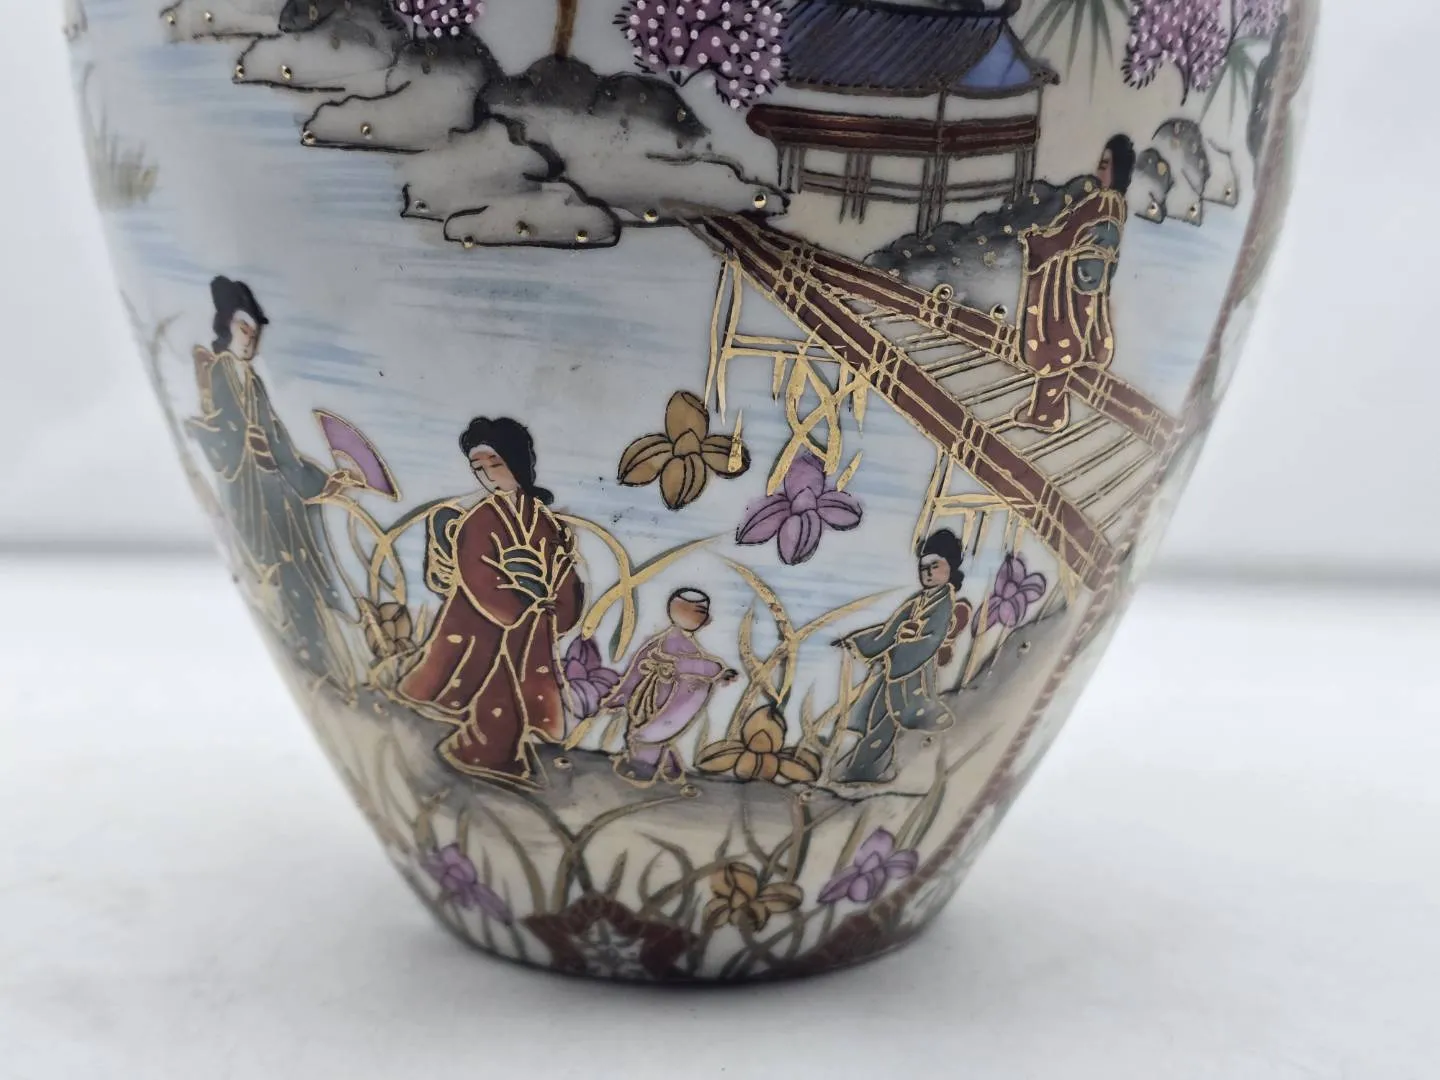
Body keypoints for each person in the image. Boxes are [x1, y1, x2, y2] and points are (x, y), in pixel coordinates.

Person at [186, 277, 352, 688]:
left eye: (255, 332)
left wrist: (320, 482)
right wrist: (244, 443)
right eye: (244, 328)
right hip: (254, 497)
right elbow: (227, 435)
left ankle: (320, 661)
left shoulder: (253, 381)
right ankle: (313, 661)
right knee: (286, 576)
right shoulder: (222, 372)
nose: (250, 339)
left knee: (300, 575)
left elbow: (280, 443)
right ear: (226, 326)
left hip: (278, 495)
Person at [398, 417, 585, 783]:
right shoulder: (481, 518)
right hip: (485, 619)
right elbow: (477, 569)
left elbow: (563, 570)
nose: (486, 475)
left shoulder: (545, 522)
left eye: (495, 464)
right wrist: (517, 610)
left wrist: (556, 610)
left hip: (529, 621)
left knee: (509, 687)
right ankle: (484, 752)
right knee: (499, 688)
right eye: (478, 468)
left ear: (517, 462)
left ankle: (486, 752)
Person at [1012, 134, 1135, 433]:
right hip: (1091, 286)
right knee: (1072, 344)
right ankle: (1049, 409)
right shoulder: (1118, 204)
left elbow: (1065, 235)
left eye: (1105, 164)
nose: (1099, 169)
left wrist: (1036, 241)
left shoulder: (1099, 202)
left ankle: (1046, 413)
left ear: (1117, 169)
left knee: (1057, 344)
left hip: (1068, 287)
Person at [833, 530, 973, 785]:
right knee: (877, 717)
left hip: (913, 675)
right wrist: (855, 642)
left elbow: (931, 639)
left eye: (934, 566)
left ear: (950, 567)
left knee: (887, 720)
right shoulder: (917, 602)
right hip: (896, 671)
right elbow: (889, 630)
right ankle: (866, 769)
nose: (927, 573)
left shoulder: (944, 604)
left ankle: (865, 769)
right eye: (923, 568)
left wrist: (902, 644)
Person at [603, 589, 738, 786]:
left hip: (664, 697)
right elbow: (681, 664)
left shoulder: (674, 641)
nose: (707, 618)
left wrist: (717, 672)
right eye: (701, 612)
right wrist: (716, 669)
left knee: (655, 731)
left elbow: (646, 665)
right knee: (650, 731)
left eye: (705, 612)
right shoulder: (670, 642)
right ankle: (643, 769)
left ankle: (664, 767)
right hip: (658, 697)